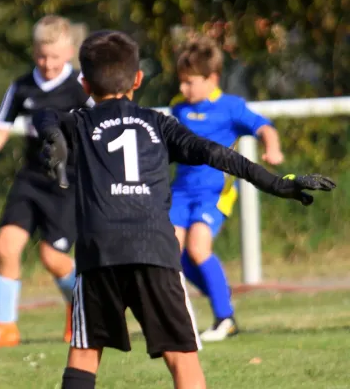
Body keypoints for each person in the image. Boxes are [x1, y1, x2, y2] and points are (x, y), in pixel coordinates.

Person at [33, 30, 335, 389]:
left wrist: (54, 138)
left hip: (101, 251)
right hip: (155, 250)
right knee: (183, 362)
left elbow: (46, 116)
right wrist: (278, 183)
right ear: (138, 79)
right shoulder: (160, 123)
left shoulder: (80, 123)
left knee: (84, 356)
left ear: (84, 83)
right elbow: (217, 154)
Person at [0, 15, 94, 348]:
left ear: (69, 51)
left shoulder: (82, 88)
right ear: (34, 51)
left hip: (68, 183)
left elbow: (102, 128)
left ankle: (80, 304)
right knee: (5, 247)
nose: (48, 64)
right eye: (41, 56)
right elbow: (1, 126)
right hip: (31, 179)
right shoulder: (22, 85)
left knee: (52, 259)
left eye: (54, 57)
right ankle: (6, 328)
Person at [169, 35, 284, 341]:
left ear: (212, 79)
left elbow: (264, 126)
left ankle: (225, 318)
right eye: (180, 82)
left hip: (214, 193)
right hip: (180, 192)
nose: (182, 89)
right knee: (169, 253)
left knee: (198, 248)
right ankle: (217, 298)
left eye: (189, 82)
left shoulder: (231, 107)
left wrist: (272, 148)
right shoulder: (178, 109)